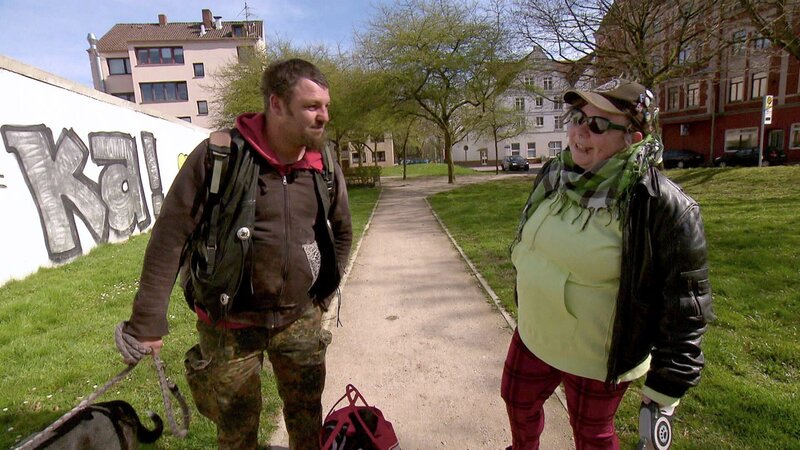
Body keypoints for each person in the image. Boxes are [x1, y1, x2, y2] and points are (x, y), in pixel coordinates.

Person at [114, 58, 353, 449]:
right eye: (312, 106)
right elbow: (170, 236)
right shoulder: (219, 156)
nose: (324, 116)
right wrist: (147, 322)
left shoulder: (322, 164)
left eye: (326, 106)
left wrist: (325, 289)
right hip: (228, 324)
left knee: (307, 418)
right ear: (276, 104)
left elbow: (342, 231)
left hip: (300, 320)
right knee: (237, 430)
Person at [501, 78, 715, 449]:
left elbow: (686, 305)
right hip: (534, 333)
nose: (579, 132)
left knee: (591, 436)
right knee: (517, 402)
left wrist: (668, 384)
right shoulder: (555, 174)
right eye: (577, 117)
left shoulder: (663, 206)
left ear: (632, 139)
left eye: (597, 125)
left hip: (597, 356)